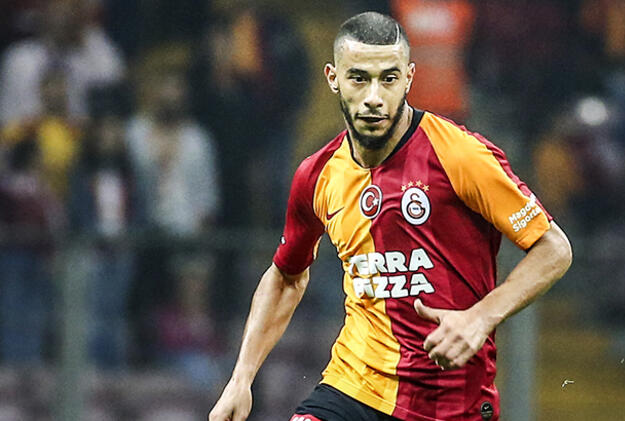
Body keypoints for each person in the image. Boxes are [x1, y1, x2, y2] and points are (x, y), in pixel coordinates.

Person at [209, 12, 572, 421]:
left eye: (388, 78)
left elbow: (554, 249)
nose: (374, 97)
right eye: (358, 78)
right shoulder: (317, 174)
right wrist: (240, 379)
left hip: (450, 402)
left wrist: (480, 318)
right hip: (353, 386)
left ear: (409, 78)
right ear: (333, 78)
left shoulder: (459, 154)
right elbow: (286, 277)